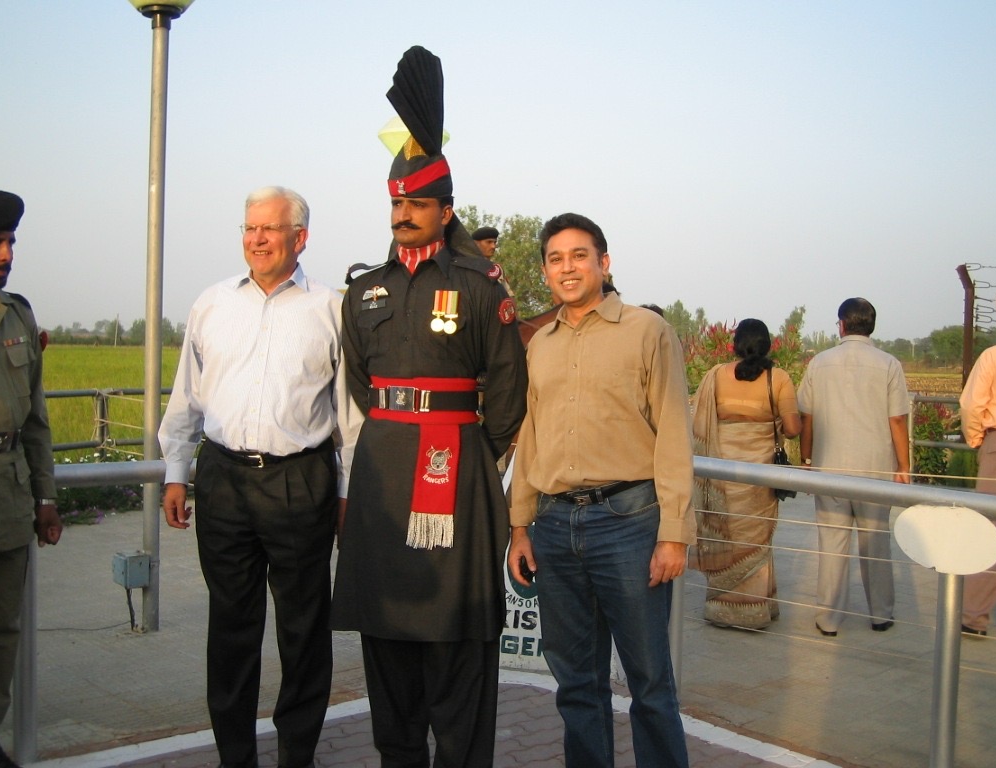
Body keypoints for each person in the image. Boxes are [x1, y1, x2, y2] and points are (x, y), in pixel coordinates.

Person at [329, 47, 527, 768]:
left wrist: (469, 452)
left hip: (458, 479)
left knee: (458, 655)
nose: (404, 214)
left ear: (446, 212)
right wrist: (395, 438)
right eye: (395, 203)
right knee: (388, 657)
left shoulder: (481, 289)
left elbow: (507, 396)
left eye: (417, 203)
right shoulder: (364, 291)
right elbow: (358, 382)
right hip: (383, 484)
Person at [158, 186, 360, 768]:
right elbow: (186, 396)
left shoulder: (330, 307)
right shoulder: (211, 303)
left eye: (270, 229)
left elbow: (348, 415)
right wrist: (176, 470)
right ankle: (235, 756)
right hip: (223, 479)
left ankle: (297, 753)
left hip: (301, 482)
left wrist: (346, 492)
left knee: (302, 629)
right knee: (231, 626)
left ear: (300, 238)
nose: (258, 239)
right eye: (250, 228)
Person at [508, 212, 694, 768]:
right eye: (556, 259)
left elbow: (674, 436)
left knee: (650, 683)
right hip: (556, 528)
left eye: (579, 255)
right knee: (576, 684)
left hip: (630, 524)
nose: (568, 268)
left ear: (603, 262)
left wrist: (675, 533)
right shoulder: (539, 344)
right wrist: (520, 527)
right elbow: (530, 439)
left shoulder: (646, 331)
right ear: (545, 271)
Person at [0, 190, 62, 768]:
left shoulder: (17, 314)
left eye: (10, 241)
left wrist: (46, 497)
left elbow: (36, 420)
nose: (5, 251)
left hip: (10, 495)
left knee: (2, 629)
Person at [797, 297, 910, 637]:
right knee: (875, 541)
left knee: (832, 543)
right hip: (874, 469)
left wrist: (806, 461)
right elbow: (898, 420)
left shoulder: (820, 362)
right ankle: (881, 613)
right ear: (870, 326)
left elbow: (807, 417)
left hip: (829, 466)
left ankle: (829, 618)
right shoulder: (889, 364)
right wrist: (904, 466)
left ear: (842, 325)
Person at [691, 318, 801, 630]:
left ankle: (722, 610)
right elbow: (792, 429)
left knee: (726, 536)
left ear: (734, 345)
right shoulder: (777, 378)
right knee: (756, 541)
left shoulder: (715, 376)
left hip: (720, 475)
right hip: (759, 479)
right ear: (768, 345)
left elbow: (699, 422)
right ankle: (754, 610)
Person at [958, 287, 996, 637]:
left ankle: (975, 618)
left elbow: (971, 405)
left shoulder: (993, 357)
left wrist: (978, 439)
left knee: (991, 533)